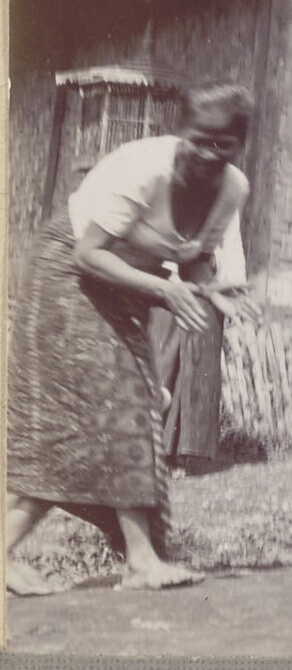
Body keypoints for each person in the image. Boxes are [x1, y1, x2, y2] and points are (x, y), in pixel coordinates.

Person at [6, 82, 261, 594]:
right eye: (200, 139)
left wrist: (213, 290)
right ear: (182, 131)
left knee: (128, 409)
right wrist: (165, 290)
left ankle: (135, 558)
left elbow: (195, 257)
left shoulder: (232, 188)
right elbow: (88, 254)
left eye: (223, 143)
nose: (209, 153)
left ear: (240, 144)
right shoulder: (145, 168)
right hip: (69, 274)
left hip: (129, 283)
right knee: (105, 410)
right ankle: (141, 561)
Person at [149, 210, 252, 475]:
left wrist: (234, 289)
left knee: (195, 371)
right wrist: (169, 274)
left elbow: (232, 244)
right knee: (164, 362)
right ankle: (152, 450)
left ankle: (183, 454)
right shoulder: (173, 193)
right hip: (170, 279)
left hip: (209, 285)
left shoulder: (226, 201)